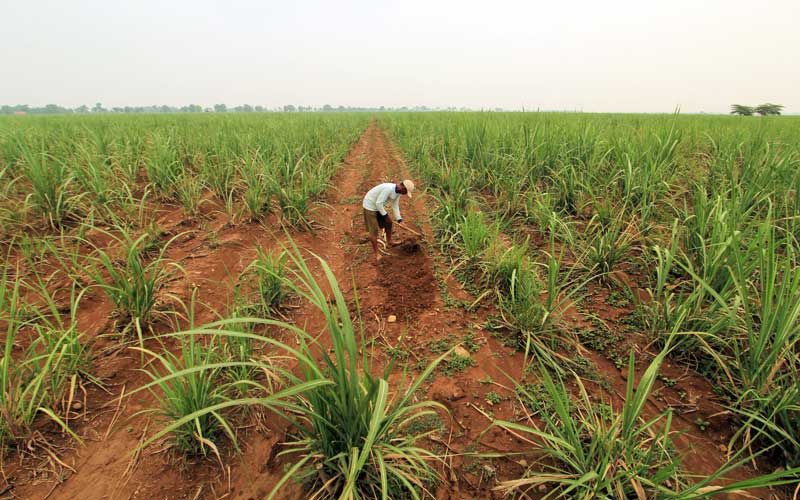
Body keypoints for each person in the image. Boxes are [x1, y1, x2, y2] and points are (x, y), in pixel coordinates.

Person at [362, 180, 415, 262]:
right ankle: (376, 254)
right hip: (370, 205)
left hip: (378, 206)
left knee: (389, 223)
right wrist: (386, 215)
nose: (405, 194)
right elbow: (378, 203)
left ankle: (390, 242)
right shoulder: (388, 189)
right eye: (406, 192)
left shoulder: (398, 192)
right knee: (374, 231)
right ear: (403, 187)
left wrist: (400, 220)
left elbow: (395, 206)